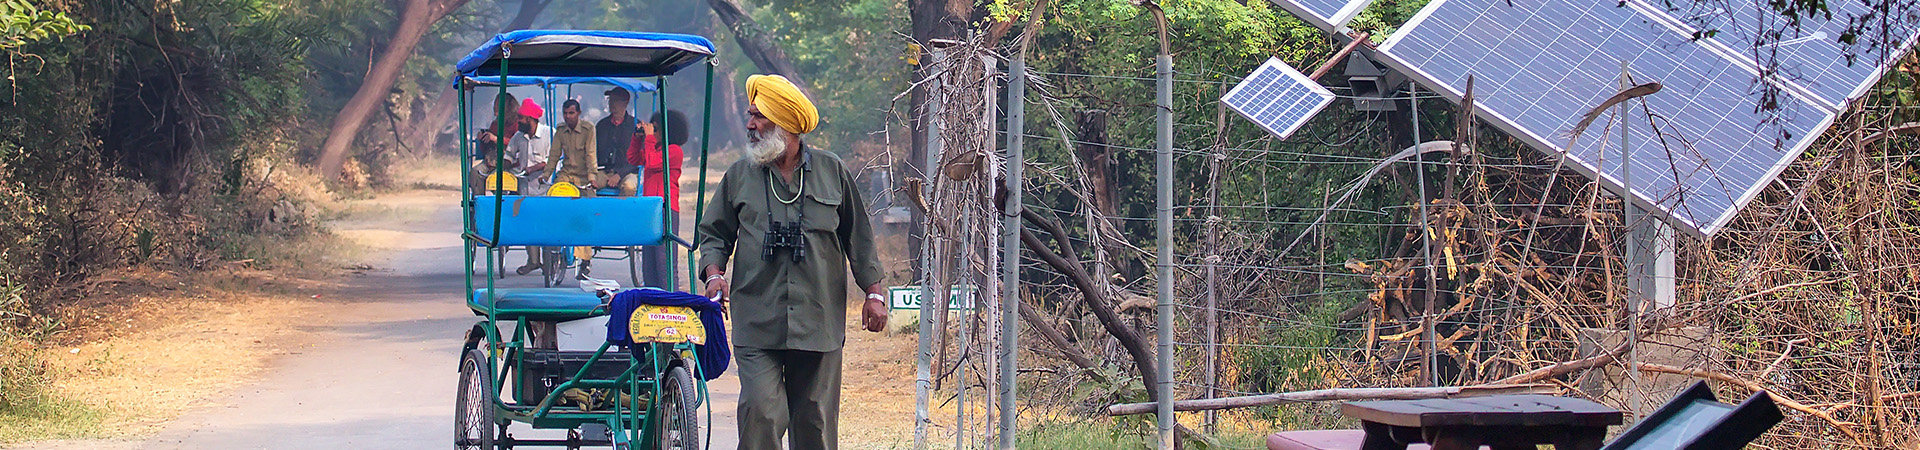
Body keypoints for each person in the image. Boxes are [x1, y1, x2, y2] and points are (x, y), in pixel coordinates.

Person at [697, 74, 886, 450]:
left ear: (786, 124)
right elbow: (714, 235)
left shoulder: (833, 172)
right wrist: (714, 275)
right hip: (757, 320)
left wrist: (875, 295)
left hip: (819, 321)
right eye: (750, 115)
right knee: (762, 413)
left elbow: (859, 238)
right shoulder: (740, 176)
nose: (750, 124)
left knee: (814, 423)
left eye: (759, 117)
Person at [628, 109, 686, 289]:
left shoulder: (674, 151)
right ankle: (652, 301)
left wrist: (649, 138)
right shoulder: (654, 148)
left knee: (665, 263)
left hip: (665, 208)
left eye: (657, 129)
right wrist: (638, 138)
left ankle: (671, 301)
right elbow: (633, 158)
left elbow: (653, 163)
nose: (653, 132)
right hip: (649, 208)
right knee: (649, 265)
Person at [596, 88, 640, 196]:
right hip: (604, 170)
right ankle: (595, 211)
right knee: (590, 184)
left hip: (627, 171)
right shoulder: (602, 125)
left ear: (625, 103)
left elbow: (639, 158)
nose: (612, 103)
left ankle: (622, 212)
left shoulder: (635, 126)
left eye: (616, 100)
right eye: (610, 100)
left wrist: (619, 174)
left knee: (629, 187)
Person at [552, 98, 597, 191]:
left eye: (571, 113)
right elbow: (554, 154)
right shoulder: (561, 130)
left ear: (578, 113)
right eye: (565, 113)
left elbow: (591, 154)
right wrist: (545, 175)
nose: (567, 116)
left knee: (589, 200)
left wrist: (592, 177)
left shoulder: (588, 129)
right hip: (566, 174)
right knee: (556, 193)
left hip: (584, 176)